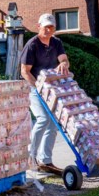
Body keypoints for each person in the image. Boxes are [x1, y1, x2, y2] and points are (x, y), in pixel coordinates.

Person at [20, 13, 70, 175]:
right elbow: (24, 72)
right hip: (34, 87)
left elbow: (64, 59)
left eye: (51, 27)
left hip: (51, 89)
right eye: (45, 27)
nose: (48, 30)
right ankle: (30, 156)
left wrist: (63, 63)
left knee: (53, 123)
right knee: (43, 119)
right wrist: (38, 88)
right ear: (38, 27)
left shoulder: (56, 43)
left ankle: (46, 160)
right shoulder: (32, 45)